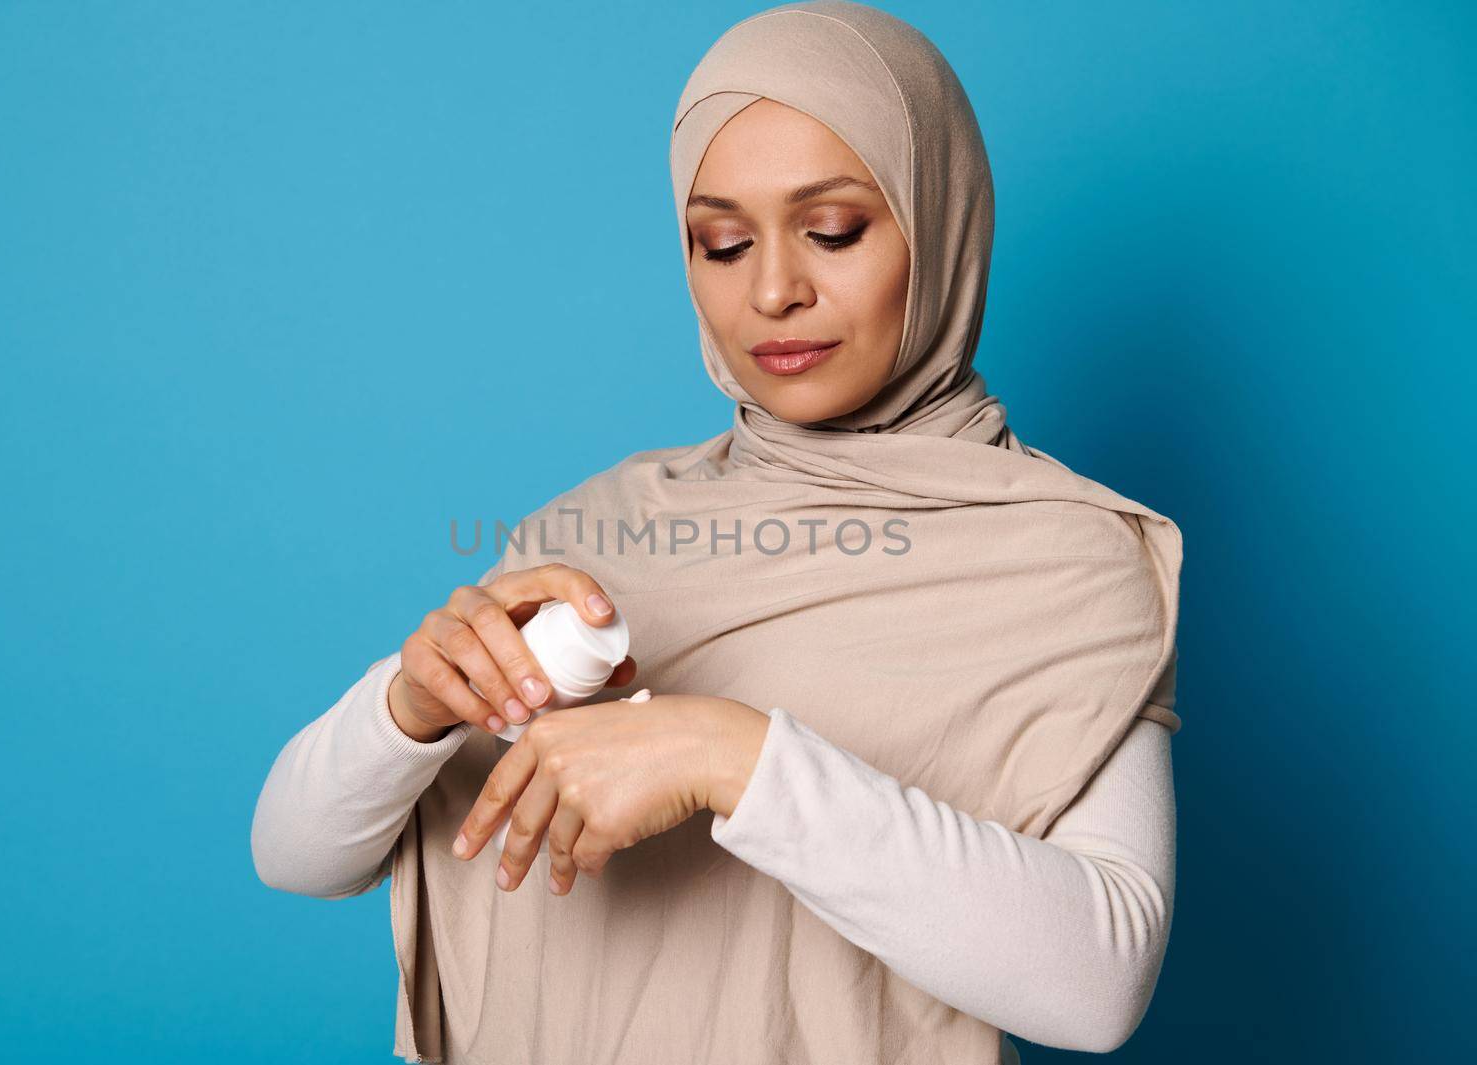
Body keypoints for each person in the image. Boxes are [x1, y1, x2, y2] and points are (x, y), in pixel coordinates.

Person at [250, 2, 1183, 1062]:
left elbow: (1098, 986)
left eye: (832, 231)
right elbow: (293, 857)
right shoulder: (595, 531)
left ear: (940, 220)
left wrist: (735, 760)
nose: (774, 290)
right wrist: (405, 706)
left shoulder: (1062, 556)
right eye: (722, 242)